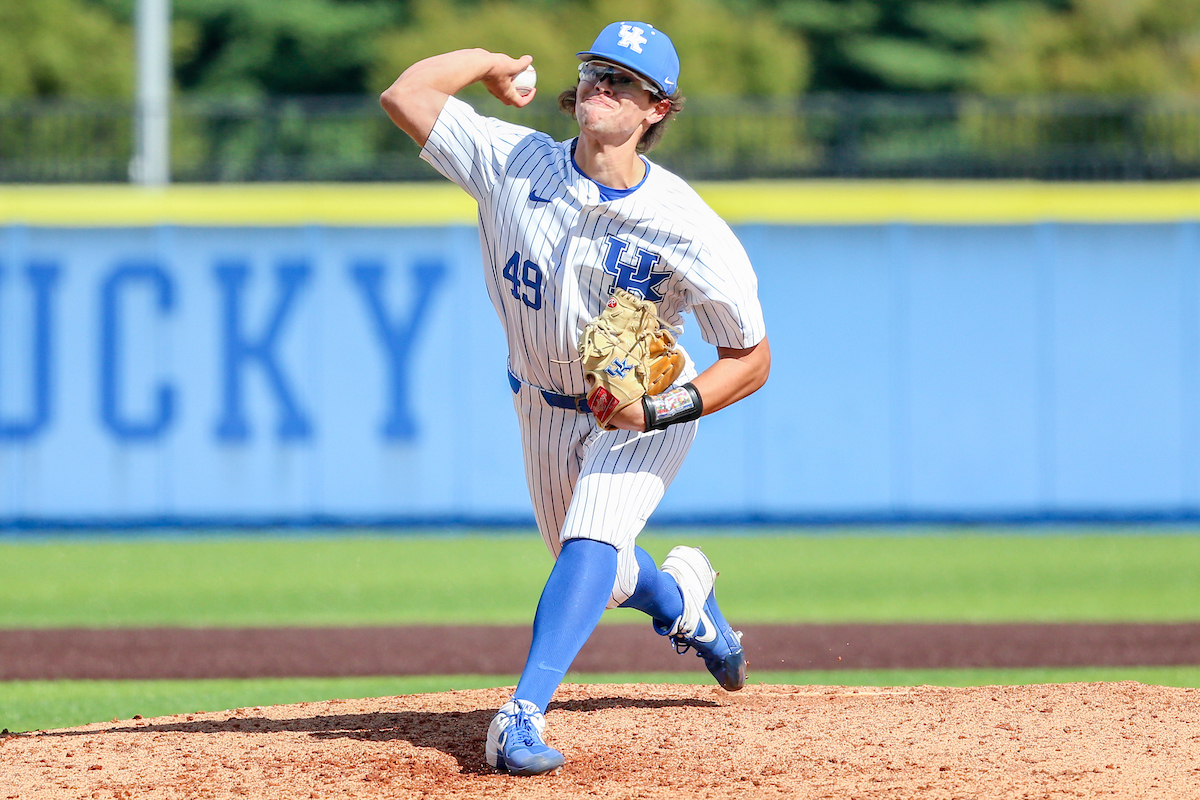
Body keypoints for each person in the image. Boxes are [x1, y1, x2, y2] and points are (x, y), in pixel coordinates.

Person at [380, 20, 770, 776]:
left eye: (624, 80)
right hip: (542, 404)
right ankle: (685, 600)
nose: (602, 85)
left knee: (592, 541)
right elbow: (407, 93)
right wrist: (491, 62)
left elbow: (750, 359)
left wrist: (659, 410)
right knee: (591, 562)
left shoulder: (685, 225)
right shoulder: (511, 162)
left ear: (657, 109)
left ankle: (521, 713)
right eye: (596, 70)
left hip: (643, 407)